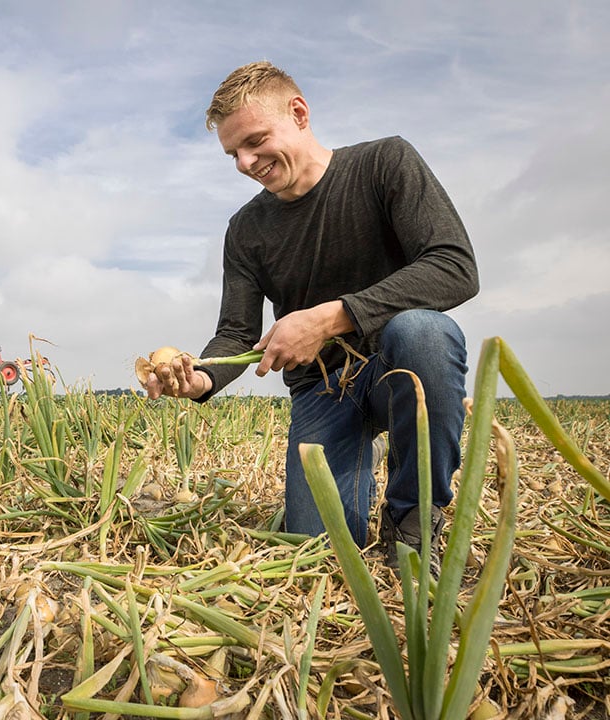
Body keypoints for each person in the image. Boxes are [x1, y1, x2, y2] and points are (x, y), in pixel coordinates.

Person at [146, 61, 478, 574]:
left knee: (424, 332)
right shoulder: (245, 229)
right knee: (315, 552)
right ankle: (348, 498)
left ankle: (413, 518)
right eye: (233, 153)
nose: (245, 162)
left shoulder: (385, 163)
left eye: (255, 142)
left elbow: (453, 265)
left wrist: (331, 317)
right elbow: (237, 331)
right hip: (321, 389)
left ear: (298, 112)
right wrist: (202, 377)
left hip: (398, 367)